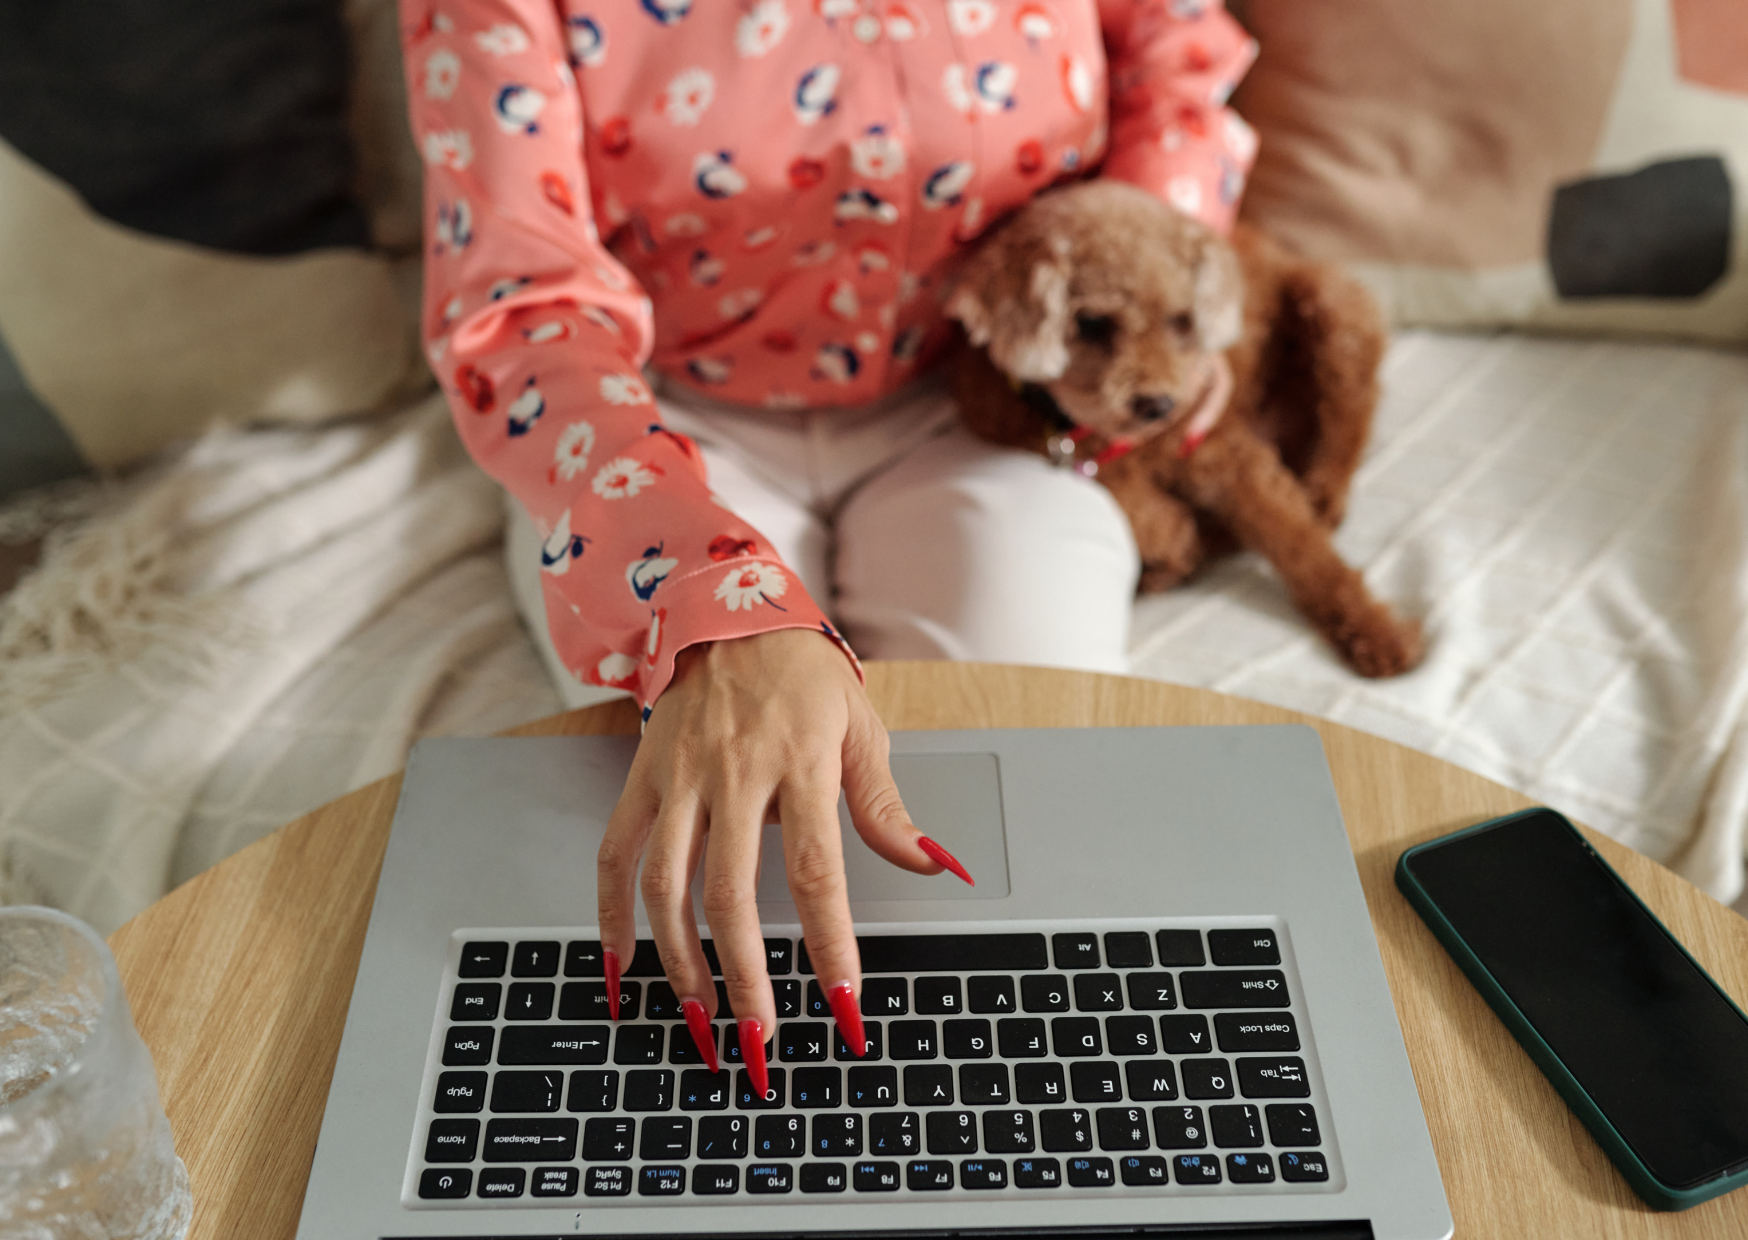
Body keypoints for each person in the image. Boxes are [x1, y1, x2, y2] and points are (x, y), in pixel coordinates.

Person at [402, 0, 1256, 1089]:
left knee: (1036, 815)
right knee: (712, 838)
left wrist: (1140, 284)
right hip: (653, 419)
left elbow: (1177, 55)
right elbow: (515, 297)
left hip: (983, 395)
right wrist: (705, 594)